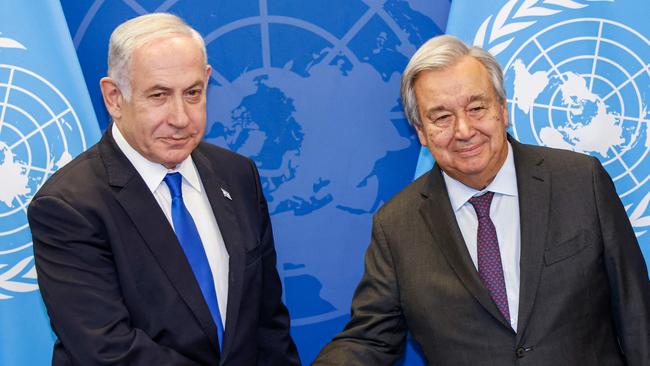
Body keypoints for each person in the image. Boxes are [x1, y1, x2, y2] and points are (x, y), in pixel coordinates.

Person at [313, 35, 649, 365]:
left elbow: (637, 314)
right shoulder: (397, 226)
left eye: (477, 108)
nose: (463, 130)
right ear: (420, 131)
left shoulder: (580, 181)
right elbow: (370, 338)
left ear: (502, 110)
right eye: (441, 116)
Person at [28, 13, 299, 365]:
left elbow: (267, 324)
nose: (181, 117)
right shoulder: (69, 206)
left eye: (192, 93)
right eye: (158, 95)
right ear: (113, 98)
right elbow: (107, 350)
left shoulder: (237, 175)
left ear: (207, 82)